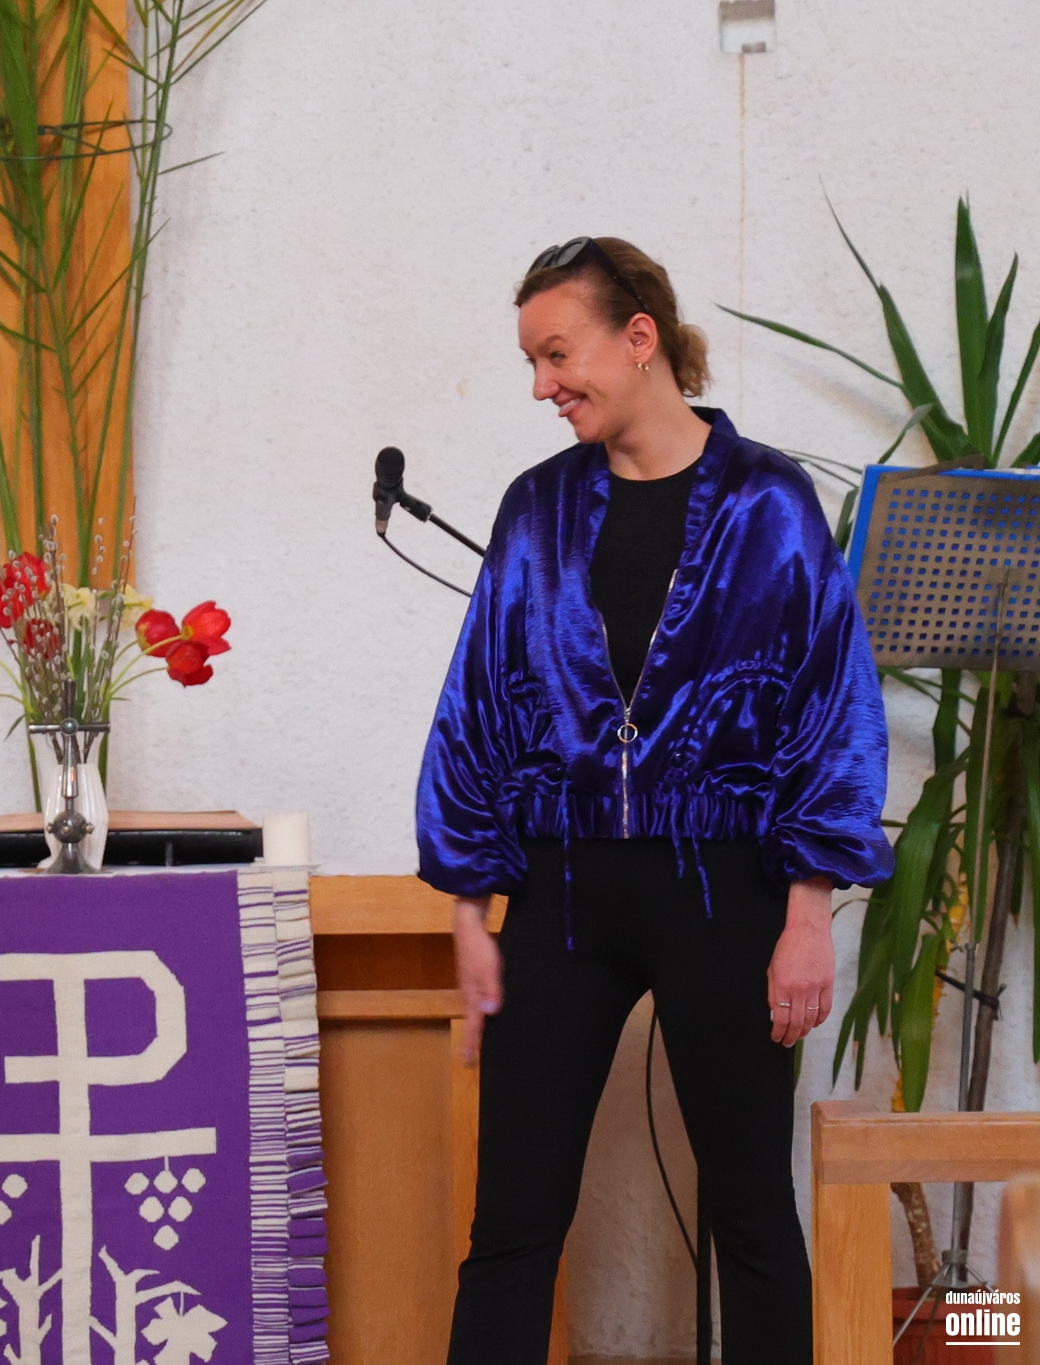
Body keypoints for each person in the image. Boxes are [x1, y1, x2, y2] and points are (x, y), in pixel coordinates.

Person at [415, 237, 892, 1363]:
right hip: (561, 893)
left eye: (556, 354)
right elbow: (477, 703)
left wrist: (806, 915)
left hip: (723, 891)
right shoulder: (535, 508)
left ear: (639, 339)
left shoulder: (770, 503)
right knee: (511, 1221)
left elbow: (829, 707)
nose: (542, 385)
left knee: (751, 1214)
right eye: (532, 362)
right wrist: (468, 912)